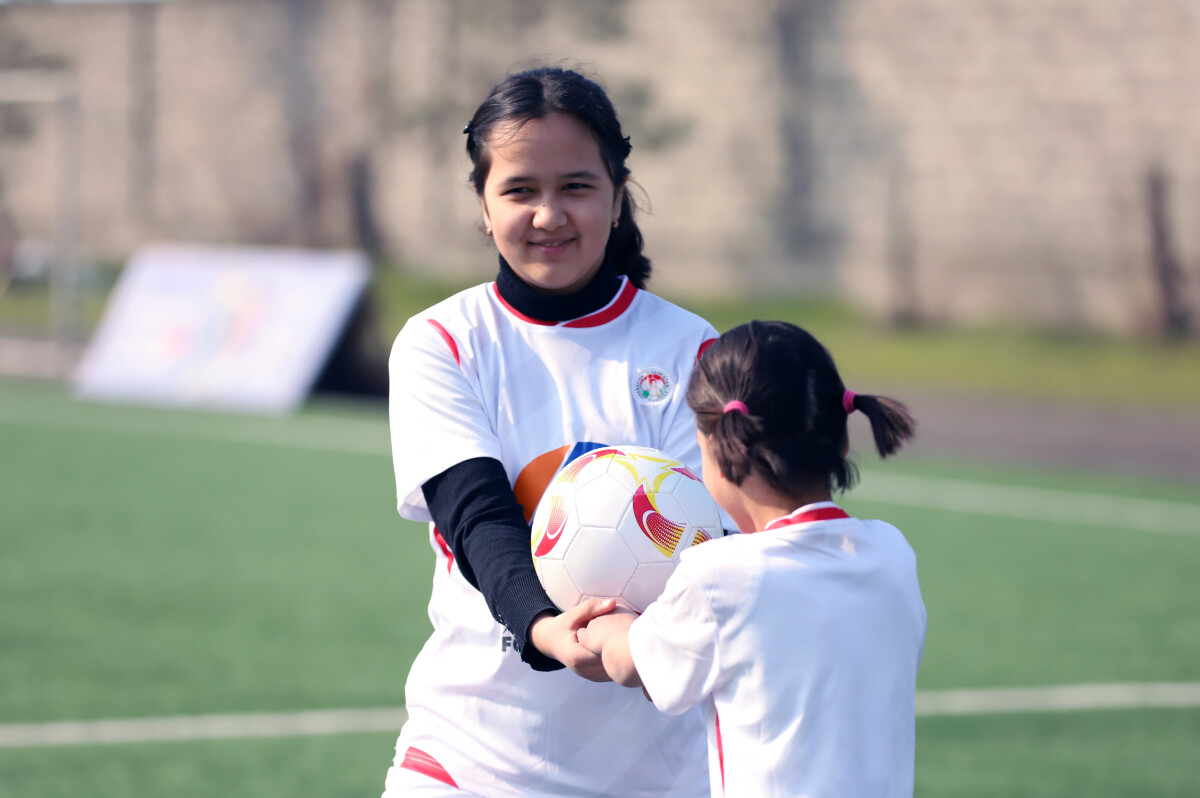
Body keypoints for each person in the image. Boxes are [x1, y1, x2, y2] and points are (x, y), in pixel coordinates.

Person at [382, 66, 718, 797]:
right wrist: (544, 629)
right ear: (482, 202)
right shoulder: (442, 341)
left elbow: (712, 551)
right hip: (467, 761)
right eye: (519, 190)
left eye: (575, 187)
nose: (547, 215)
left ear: (618, 196)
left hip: (657, 774)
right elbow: (477, 517)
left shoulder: (692, 352)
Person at [579, 320, 927, 797]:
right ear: (843, 440)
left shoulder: (719, 576)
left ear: (719, 453)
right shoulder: (893, 555)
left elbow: (627, 662)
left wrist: (602, 622)